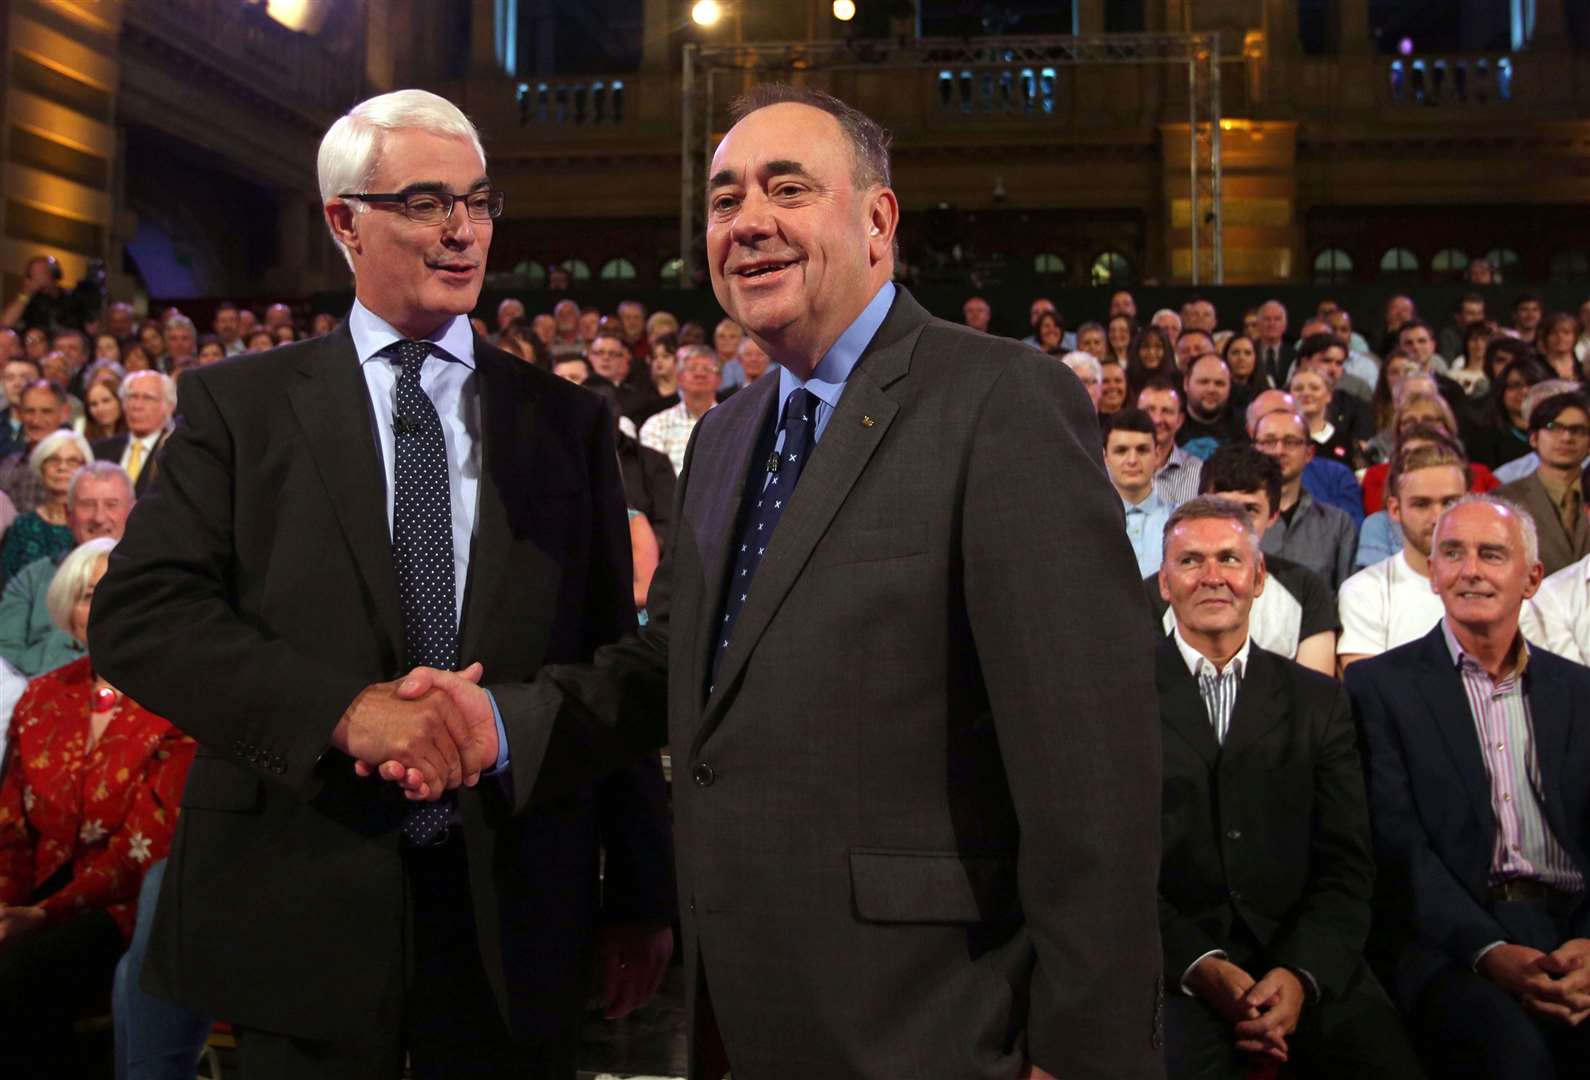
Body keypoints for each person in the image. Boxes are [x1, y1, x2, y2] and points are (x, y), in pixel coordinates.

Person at [401, 83, 1164, 1078]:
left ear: (879, 219)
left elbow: (1090, 766)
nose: (748, 222)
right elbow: (670, 670)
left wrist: (1088, 1049)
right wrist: (495, 726)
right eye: (723, 201)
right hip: (738, 1012)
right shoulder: (724, 437)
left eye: (788, 188)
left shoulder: (1000, 401)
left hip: (939, 1022)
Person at [89, 89, 675, 1079]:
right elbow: (143, 615)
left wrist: (640, 893)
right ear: (343, 221)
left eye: (478, 201)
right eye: (423, 201)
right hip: (294, 892)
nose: (461, 229)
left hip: (513, 893)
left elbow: (610, 654)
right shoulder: (241, 408)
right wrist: (345, 714)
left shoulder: (565, 422)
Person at [1154, 497, 1424, 1079]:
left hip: (1303, 954)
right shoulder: (1116, 698)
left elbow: (1348, 864)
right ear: (1163, 585)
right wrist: (1199, 964)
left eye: (1229, 559)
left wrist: (1301, 974)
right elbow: (1110, 867)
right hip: (1173, 965)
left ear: (1259, 579)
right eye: (1190, 561)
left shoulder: (1318, 700)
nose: (1212, 576)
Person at [1345, 495, 1590, 1079]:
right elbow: (1397, 845)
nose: (1470, 570)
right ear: (1433, 574)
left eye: (1491, 554)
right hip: (1452, 942)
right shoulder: (1379, 688)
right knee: (1514, 1060)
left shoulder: (1580, 691)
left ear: (1531, 578)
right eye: (1452, 553)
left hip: (1572, 928)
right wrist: (1490, 952)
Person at [0, 537, 195, 1077]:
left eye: (118, 591)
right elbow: (10, 828)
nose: (103, 605)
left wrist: (39, 916)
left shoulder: (179, 700)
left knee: (22, 976)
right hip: (35, 901)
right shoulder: (41, 696)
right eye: (89, 594)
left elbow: (145, 848)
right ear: (70, 610)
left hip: (127, 910)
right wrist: (5, 907)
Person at [1145, 445, 1338, 676]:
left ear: (1273, 516)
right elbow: (1148, 686)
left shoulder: (1306, 588)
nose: (1234, 525)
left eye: (1250, 510)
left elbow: (1315, 697)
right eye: (1222, 509)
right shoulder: (1157, 591)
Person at [1338, 443, 1470, 671]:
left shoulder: (1501, 586)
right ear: (1395, 510)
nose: (1437, 517)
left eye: (1450, 503)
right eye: (1421, 504)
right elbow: (1367, 691)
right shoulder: (1365, 591)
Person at [0, 461, 131, 678]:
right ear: (67, 514)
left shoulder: (151, 581)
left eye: (111, 504)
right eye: (87, 504)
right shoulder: (33, 577)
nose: (99, 517)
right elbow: (5, 652)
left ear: (133, 511)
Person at [1252, 409, 1357, 592]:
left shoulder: (1338, 524)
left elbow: (1348, 595)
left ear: (1309, 453)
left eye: (1290, 442)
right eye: (1269, 442)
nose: (1279, 451)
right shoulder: (1234, 522)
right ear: (1254, 450)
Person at [1496, 390, 1590, 576]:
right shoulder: (1503, 502)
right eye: (1554, 427)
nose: (1566, 438)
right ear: (1533, 437)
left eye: (1577, 430)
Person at [0, 430, 92, 581]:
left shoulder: (94, 524)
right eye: (53, 460)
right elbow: (6, 584)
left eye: (72, 461)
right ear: (41, 467)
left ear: (85, 468)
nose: (62, 467)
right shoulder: (22, 526)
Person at [1104, 407, 1170, 576]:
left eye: (1142, 450)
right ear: (1104, 458)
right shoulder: (1088, 525)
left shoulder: (1179, 521)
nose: (1132, 460)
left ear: (1157, 455)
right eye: (1121, 451)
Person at [90, 370, 174, 499]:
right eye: (132, 397)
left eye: (148, 398)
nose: (137, 405)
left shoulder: (174, 453)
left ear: (169, 407)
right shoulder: (98, 451)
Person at [639, 344, 721, 475]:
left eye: (707, 369)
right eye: (692, 368)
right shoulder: (656, 425)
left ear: (719, 379)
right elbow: (654, 479)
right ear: (679, 378)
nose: (700, 374)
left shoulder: (735, 425)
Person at [0, 379, 70, 514]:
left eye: (46, 411)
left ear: (64, 413)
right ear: (20, 414)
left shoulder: (77, 467)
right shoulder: (7, 466)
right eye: (30, 411)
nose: (36, 420)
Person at [1140, 378, 1203, 508]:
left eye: (1166, 411)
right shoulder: (1113, 468)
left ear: (1179, 420)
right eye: (1149, 410)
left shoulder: (1197, 471)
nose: (1156, 419)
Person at [1179, 353, 1244, 458]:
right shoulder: (1170, 426)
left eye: (1219, 383)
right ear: (1186, 383)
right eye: (1203, 382)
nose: (1211, 389)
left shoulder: (1242, 427)